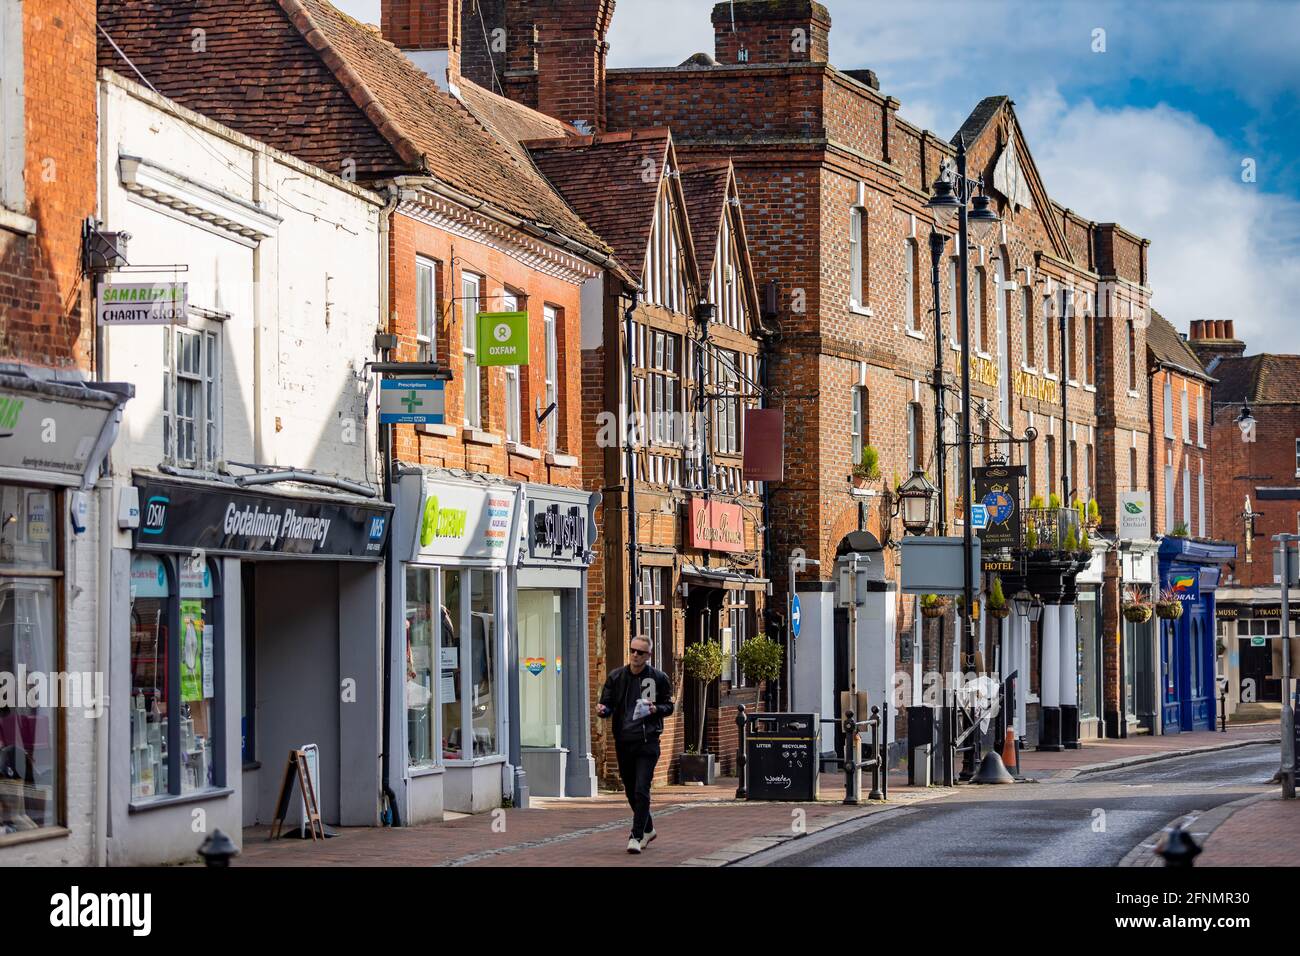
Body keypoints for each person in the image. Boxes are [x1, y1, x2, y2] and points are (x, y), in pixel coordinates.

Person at [596, 635, 674, 853]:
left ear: (648, 655)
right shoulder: (617, 676)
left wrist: (656, 709)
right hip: (624, 741)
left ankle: (636, 835)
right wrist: (603, 711)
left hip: (648, 742)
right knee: (631, 791)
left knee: (642, 788)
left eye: (640, 652)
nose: (635, 655)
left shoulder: (658, 678)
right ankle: (648, 828)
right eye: (632, 650)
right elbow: (608, 704)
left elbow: (669, 705)